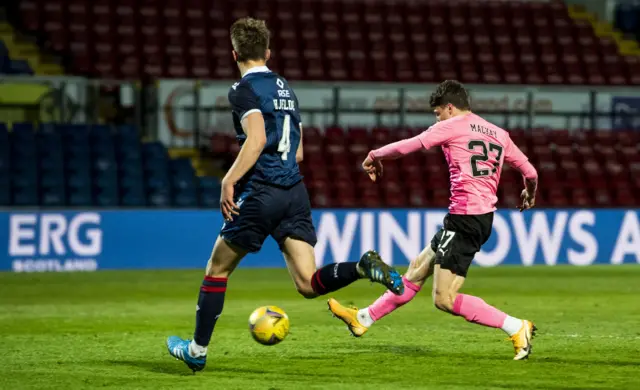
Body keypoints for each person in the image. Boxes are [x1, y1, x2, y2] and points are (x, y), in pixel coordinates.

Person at [166, 17, 404, 372]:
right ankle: (361, 267)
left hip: (262, 192)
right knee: (308, 283)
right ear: (268, 52)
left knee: (216, 270)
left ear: (234, 54)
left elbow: (258, 139)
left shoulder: (241, 90)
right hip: (294, 191)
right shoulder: (285, 88)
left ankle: (197, 351)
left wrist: (228, 180)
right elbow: (300, 152)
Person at [328, 80, 539, 360]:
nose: (436, 120)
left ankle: (516, 327)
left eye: (438, 114)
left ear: (450, 107)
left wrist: (375, 155)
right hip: (475, 217)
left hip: (466, 218)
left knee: (444, 299)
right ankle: (364, 318)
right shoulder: (499, 133)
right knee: (415, 271)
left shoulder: (453, 125)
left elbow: (410, 145)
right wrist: (529, 194)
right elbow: (531, 173)